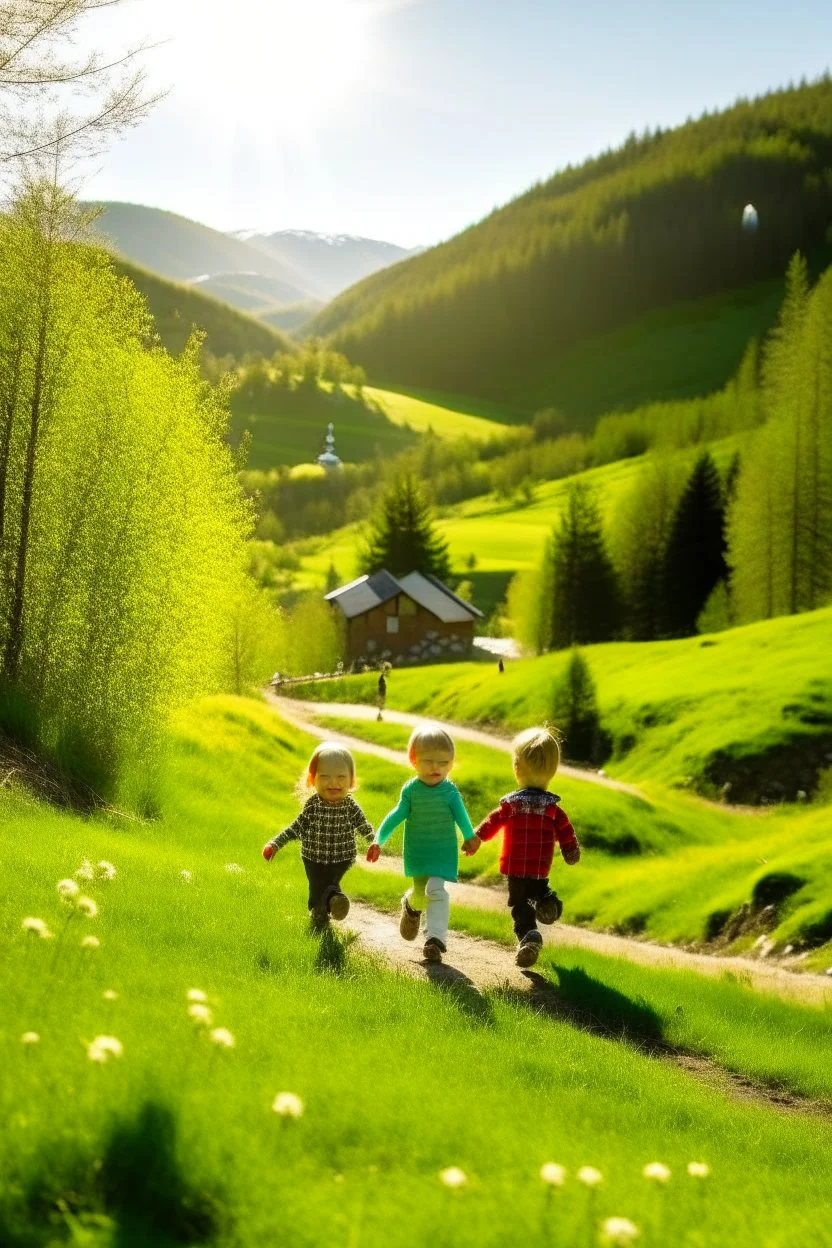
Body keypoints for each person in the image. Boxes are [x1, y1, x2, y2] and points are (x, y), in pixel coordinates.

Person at [366, 725, 479, 963]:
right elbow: (396, 815)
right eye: (428, 761)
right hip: (419, 853)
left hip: (443, 853)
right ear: (413, 760)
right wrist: (379, 840)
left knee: (436, 891)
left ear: (451, 762)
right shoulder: (412, 791)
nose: (436, 768)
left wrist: (470, 837)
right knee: (420, 894)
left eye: (444, 762)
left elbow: (462, 817)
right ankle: (410, 905)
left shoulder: (450, 792)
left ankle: (434, 940)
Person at [474, 727, 580, 968]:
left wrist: (477, 838)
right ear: (553, 771)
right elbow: (565, 829)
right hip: (539, 866)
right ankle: (548, 903)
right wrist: (570, 850)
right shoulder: (552, 808)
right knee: (540, 889)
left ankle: (529, 936)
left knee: (520, 904)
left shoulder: (512, 805)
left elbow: (493, 821)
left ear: (517, 768)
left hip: (515, 866)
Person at [262, 743, 373, 925]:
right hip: (313, 857)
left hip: (342, 857)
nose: (333, 782)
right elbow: (295, 827)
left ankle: (323, 910)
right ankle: (326, 905)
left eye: (340, 777)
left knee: (330, 883)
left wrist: (375, 842)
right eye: (325, 776)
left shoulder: (350, 806)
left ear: (351, 780)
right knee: (316, 887)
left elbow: (363, 825)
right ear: (313, 779)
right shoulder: (313, 805)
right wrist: (275, 844)